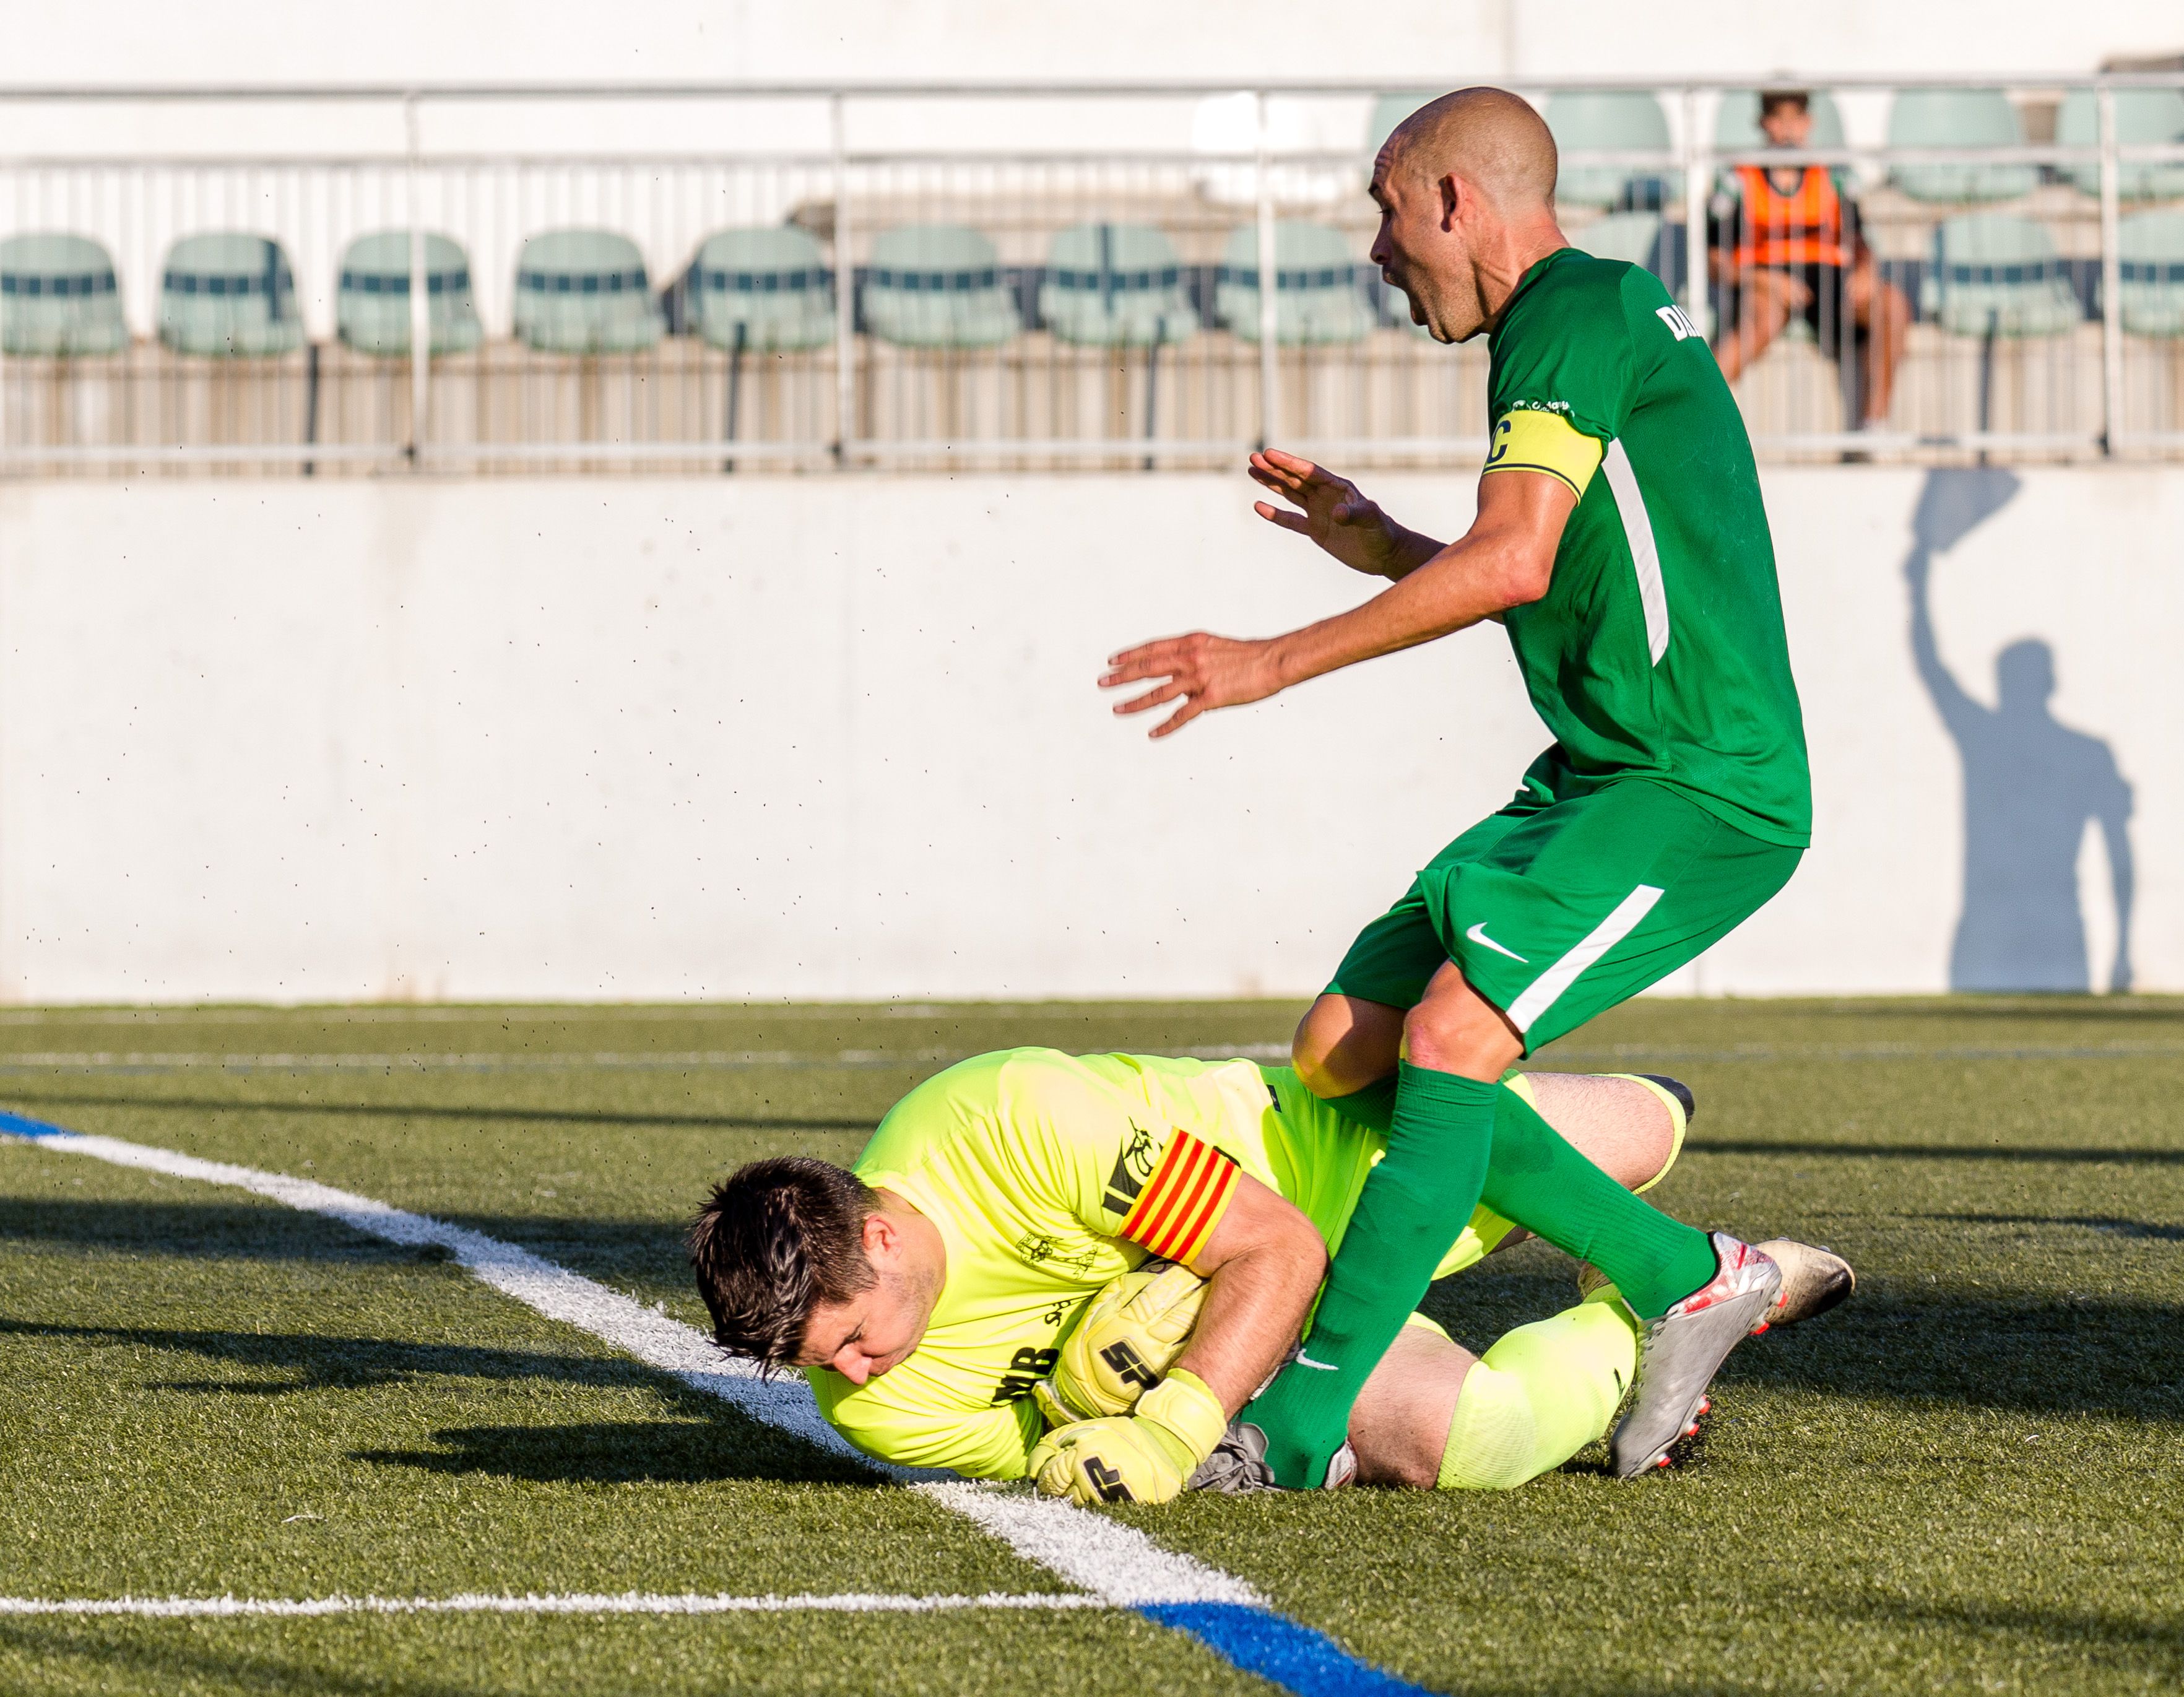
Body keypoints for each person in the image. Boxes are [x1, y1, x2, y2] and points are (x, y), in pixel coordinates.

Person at [1097, 87, 1813, 1489]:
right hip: (1602, 776)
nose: (1375, 250)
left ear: (1451, 201)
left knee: (1444, 1040)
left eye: (1382, 209)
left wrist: (1268, 661)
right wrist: (1380, 545)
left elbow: (1515, 559)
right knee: (1338, 1045)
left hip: (1701, 787)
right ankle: (1688, 1272)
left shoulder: (1570, 311)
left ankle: (1297, 1426)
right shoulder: (1593, 319)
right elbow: (1551, 558)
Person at [690, 1048, 1851, 1501]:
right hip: (1256, 1354)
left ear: (880, 1237)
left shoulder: (1005, 1122)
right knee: (1466, 1442)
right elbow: (1069, 1454)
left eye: (845, 1336)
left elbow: (1279, 1246)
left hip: (1316, 1164)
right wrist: (1145, 1416)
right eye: (816, 1364)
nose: (845, 1376)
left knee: (1650, 1132)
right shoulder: (871, 1403)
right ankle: (1656, 1315)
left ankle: (1660, 1230)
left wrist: (1165, 1425)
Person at [1710, 89, 1910, 433]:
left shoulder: (1833, 175)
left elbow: (1860, 240)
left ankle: (1874, 426)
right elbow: (1714, 257)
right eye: (1778, 119)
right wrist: (1761, 280)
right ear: (1763, 124)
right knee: (1762, 318)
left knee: (1891, 305)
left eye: (1796, 119)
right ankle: (1695, 413)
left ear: (1809, 123)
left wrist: (1866, 269)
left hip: (1830, 280)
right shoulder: (1737, 179)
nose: (1788, 129)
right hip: (1765, 279)